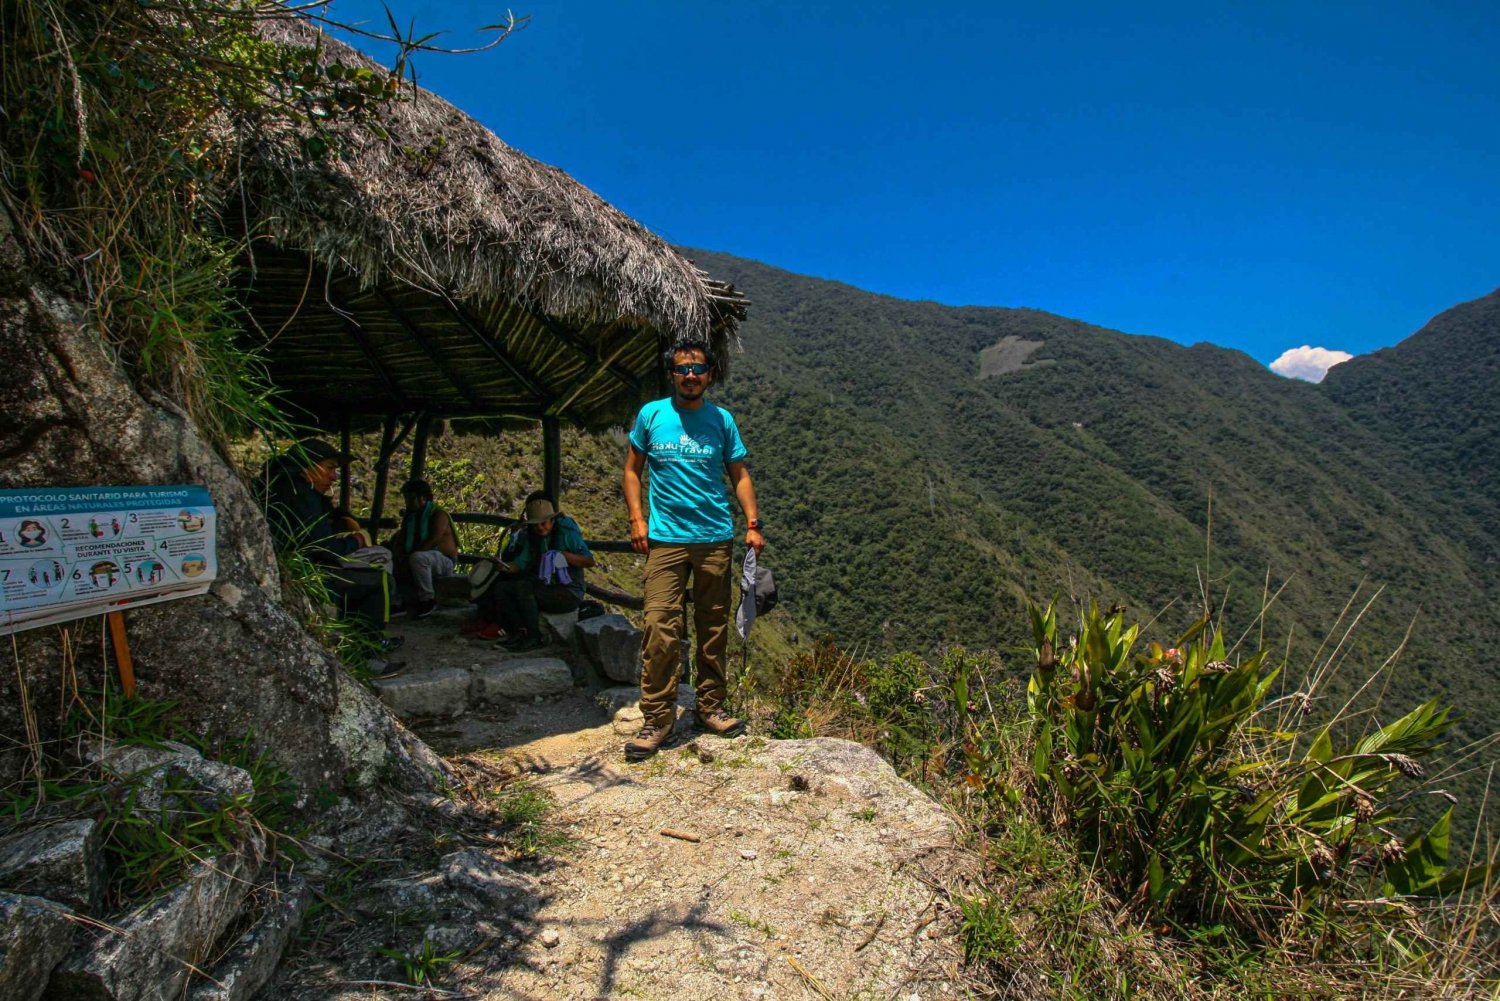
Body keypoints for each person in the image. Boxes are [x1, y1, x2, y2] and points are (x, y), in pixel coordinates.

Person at [621, 340, 763, 760]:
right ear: (672, 374)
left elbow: (739, 474)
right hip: (665, 539)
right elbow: (632, 470)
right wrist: (637, 518)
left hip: (715, 537)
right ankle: (658, 717)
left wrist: (752, 524)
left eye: (697, 369)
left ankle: (710, 706)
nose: (690, 376)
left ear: (710, 374)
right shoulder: (652, 415)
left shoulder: (721, 420)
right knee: (660, 626)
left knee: (712, 627)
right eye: (682, 369)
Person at [259, 438, 401, 651]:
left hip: (289, 568)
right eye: (330, 468)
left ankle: (354, 641)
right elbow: (323, 548)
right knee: (377, 580)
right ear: (308, 465)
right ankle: (367, 649)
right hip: (304, 574)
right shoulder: (301, 494)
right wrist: (356, 540)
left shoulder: (281, 485)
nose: (334, 476)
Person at [476, 492, 595, 651]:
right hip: (546, 587)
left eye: (544, 523)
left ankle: (534, 636)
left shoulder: (566, 533)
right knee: (503, 589)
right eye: (536, 524)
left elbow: (589, 561)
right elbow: (521, 563)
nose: (540, 527)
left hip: (569, 591)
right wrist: (505, 566)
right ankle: (519, 631)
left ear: (553, 521)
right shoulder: (531, 537)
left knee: (525, 588)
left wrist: (564, 556)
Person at [384, 478, 458, 618]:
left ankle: (427, 599)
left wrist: (408, 556)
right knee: (390, 558)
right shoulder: (410, 517)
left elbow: (433, 539)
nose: (407, 503)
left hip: (444, 561)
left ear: (423, 498)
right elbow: (402, 539)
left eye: (411, 499)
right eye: (406, 499)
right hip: (418, 558)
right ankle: (397, 602)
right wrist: (397, 555)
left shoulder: (438, 514)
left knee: (417, 557)